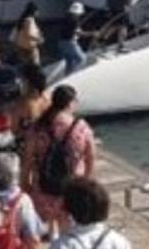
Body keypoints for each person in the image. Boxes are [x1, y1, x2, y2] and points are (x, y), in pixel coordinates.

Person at [27, 85, 98, 235]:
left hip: (44, 188)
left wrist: (24, 184)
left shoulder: (38, 127)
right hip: (72, 187)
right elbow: (91, 157)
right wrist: (86, 183)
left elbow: (27, 158)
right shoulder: (81, 127)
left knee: (46, 227)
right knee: (68, 229)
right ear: (70, 103)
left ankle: (52, 236)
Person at [58, 2, 88, 77]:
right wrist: (93, 33)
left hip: (61, 43)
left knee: (69, 62)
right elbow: (79, 33)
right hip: (70, 43)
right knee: (82, 59)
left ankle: (67, 76)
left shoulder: (65, 18)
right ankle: (74, 76)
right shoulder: (74, 21)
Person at [13, 3, 44, 68]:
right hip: (29, 47)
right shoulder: (29, 20)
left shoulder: (22, 19)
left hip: (21, 46)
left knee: (26, 66)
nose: (38, 13)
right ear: (34, 11)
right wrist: (38, 39)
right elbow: (29, 33)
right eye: (37, 11)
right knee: (35, 65)